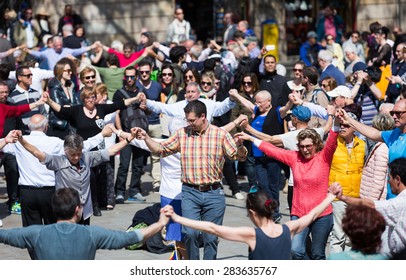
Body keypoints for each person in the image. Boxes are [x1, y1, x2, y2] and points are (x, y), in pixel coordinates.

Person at [134, 100, 248, 260]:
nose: (189, 123)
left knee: (211, 237)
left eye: (192, 120)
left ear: (203, 116)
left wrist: (240, 146)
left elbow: (237, 156)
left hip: (214, 193)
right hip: (190, 193)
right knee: (190, 233)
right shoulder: (182, 133)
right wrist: (146, 138)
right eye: (187, 119)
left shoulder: (220, 134)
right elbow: (161, 149)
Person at [237, 121, 340, 259]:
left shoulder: (324, 158)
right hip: (299, 213)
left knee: (317, 253)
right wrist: (251, 138)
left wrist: (337, 122)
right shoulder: (294, 157)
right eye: (302, 146)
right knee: (295, 250)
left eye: (308, 146)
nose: (305, 150)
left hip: (322, 215)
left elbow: (332, 140)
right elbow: (272, 150)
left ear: (316, 145)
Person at [164, 188, 336, 260]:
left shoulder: (252, 235)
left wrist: (178, 219)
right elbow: (312, 214)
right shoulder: (289, 228)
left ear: (253, 213)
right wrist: (330, 196)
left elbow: (212, 228)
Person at [0, 187, 169, 260]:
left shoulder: (35, 233)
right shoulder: (91, 234)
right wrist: (160, 223)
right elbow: (130, 238)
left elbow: (4, 235)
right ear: (77, 210)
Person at [229, 89, 291, 220]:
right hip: (257, 155)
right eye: (256, 102)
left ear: (269, 101)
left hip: (272, 155)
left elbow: (286, 108)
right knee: (263, 185)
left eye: (260, 102)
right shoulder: (256, 111)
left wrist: (291, 100)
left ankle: (275, 212)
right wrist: (236, 95)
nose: (258, 105)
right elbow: (247, 104)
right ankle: (271, 210)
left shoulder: (276, 112)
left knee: (273, 186)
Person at [329, 157, 406, 256]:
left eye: (389, 178)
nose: (388, 182)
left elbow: (370, 205)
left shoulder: (400, 203)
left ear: (398, 179)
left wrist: (343, 197)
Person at [336, 99, 406, 199]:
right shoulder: (394, 134)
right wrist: (349, 120)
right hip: (392, 198)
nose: (394, 116)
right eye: (392, 113)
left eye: (398, 113)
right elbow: (374, 133)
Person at [328, 104, 366, 254]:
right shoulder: (333, 143)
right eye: (341, 125)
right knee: (338, 235)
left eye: (346, 125)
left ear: (354, 128)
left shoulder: (363, 145)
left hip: (356, 196)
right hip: (338, 196)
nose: (342, 127)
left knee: (352, 237)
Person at [113, 66, 148, 203]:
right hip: (126, 134)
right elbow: (116, 114)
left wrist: (146, 107)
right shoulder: (119, 93)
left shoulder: (142, 92)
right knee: (124, 164)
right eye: (127, 76)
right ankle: (119, 192)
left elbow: (149, 112)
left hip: (140, 134)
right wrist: (120, 132)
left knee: (138, 164)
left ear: (136, 77)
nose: (129, 79)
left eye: (132, 77)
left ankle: (135, 191)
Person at [360, 114, 394, 201]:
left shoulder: (382, 149)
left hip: (374, 201)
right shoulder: (381, 145)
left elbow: (378, 181)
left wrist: (369, 203)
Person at [47, 58, 80, 139]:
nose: (71, 73)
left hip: (71, 124)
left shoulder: (70, 86)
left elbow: (77, 105)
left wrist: (71, 107)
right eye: (68, 71)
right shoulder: (54, 87)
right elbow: (60, 109)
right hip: (60, 126)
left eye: (71, 70)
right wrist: (73, 108)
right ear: (61, 71)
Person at [26, 36, 100, 70]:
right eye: (57, 45)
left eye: (60, 45)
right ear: (53, 45)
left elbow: (79, 50)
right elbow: (38, 54)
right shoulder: (48, 52)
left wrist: (91, 47)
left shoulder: (66, 50)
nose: (58, 47)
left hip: (65, 74)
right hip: (53, 75)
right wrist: (28, 51)